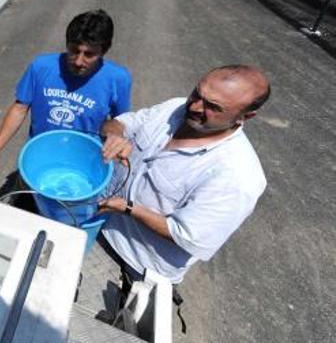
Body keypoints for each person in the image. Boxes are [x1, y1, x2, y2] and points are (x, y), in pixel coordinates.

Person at [97, 65, 270, 285]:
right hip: (99, 222)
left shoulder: (238, 175)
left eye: (213, 107)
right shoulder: (176, 107)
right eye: (197, 93)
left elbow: (187, 237)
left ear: (245, 116)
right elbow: (121, 123)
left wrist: (127, 208)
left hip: (136, 265)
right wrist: (114, 135)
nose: (195, 106)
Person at [0, 9, 132, 168]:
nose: (79, 61)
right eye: (74, 51)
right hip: (40, 155)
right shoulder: (41, 67)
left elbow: (120, 122)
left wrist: (116, 139)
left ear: (104, 51)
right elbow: (20, 108)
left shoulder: (118, 79)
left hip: (84, 161)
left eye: (89, 54)